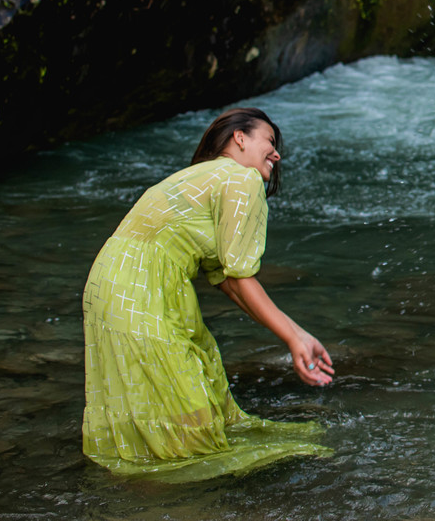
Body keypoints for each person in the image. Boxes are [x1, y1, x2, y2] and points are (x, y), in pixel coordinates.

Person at [81, 107, 335, 479]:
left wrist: (296, 333)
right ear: (240, 138)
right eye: (270, 141)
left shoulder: (199, 176)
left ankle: (144, 487)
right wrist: (293, 339)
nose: (277, 154)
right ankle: (174, 495)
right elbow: (241, 276)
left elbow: (229, 281)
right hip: (142, 287)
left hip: (110, 281)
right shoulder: (241, 179)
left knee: (165, 389)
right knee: (184, 403)